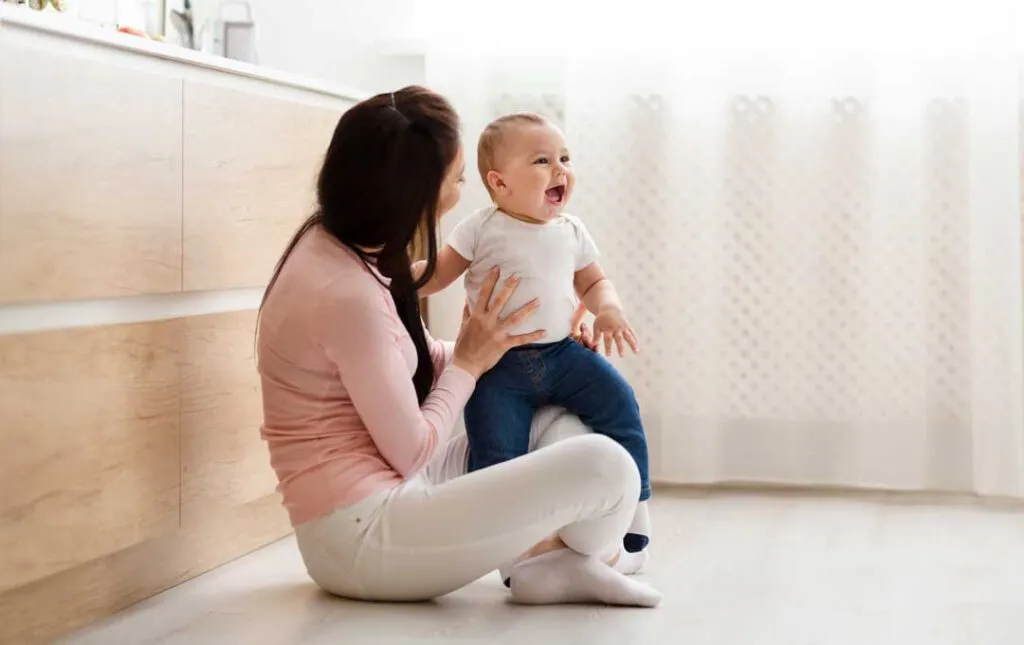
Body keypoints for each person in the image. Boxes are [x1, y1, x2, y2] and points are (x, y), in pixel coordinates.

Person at [256, 85, 662, 607]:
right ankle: (589, 559)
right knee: (606, 466)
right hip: (364, 538)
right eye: (458, 179)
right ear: (414, 193)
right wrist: (470, 360)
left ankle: (549, 569)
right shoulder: (346, 293)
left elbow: (410, 365)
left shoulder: (347, 251)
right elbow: (411, 450)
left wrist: (524, 347)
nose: (460, 193)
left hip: (393, 493)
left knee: (561, 416)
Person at [415, 112, 652, 556]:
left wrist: (608, 309)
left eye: (565, 158)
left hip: (563, 355)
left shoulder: (571, 230)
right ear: (500, 183)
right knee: (495, 453)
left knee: (621, 402)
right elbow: (437, 274)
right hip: (498, 367)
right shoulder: (481, 227)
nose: (560, 169)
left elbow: (594, 282)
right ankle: (507, 551)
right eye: (543, 161)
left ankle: (635, 505)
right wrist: (389, 280)